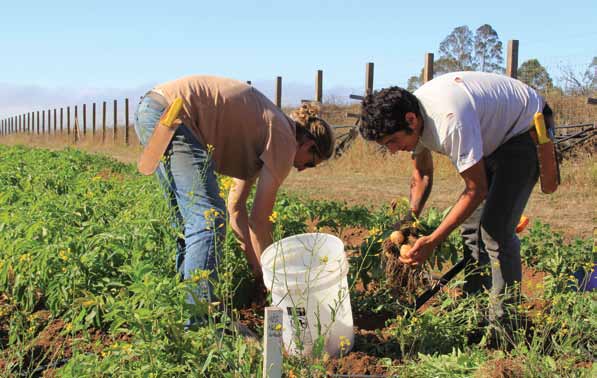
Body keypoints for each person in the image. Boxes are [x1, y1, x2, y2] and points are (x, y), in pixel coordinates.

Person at [134, 75, 335, 320]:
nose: (302, 169)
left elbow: (237, 209)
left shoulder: (266, 134)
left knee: (190, 222)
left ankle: (185, 309)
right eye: (311, 163)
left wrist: (257, 270)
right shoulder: (285, 139)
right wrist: (275, 278)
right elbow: (260, 221)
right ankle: (201, 322)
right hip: (176, 113)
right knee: (207, 218)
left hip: (153, 108)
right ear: (309, 145)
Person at [359, 71, 551, 321]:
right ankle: (475, 305)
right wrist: (410, 220)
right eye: (386, 145)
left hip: (523, 131)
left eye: (394, 141)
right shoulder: (413, 114)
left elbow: (476, 189)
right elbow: (422, 174)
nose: (393, 150)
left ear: (411, 119)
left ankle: (504, 322)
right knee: (471, 228)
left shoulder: (449, 120)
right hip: (493, 136)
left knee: (496, 229)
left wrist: (432, 241)